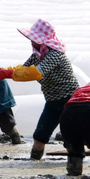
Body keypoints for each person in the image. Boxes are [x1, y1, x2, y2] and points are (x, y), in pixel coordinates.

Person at [14, 19, 79, 161]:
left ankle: (74, 169)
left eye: (34, 38)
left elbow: (37, 73)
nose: (31, 41)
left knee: (70, 138)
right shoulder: (36, 56)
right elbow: (22, 71)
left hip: (68, 101)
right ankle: (33, 165)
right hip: (51, 102)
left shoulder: (56, 55)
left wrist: (6, 74)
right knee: (39, 137)